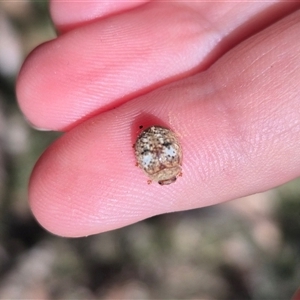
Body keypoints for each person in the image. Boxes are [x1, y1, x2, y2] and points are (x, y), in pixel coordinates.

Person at [16, 1, 300, 241]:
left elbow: (165, 142)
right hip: (151, 135)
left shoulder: (170, 164)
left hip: (153, 134)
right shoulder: (153, 170)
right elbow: (152, 146)